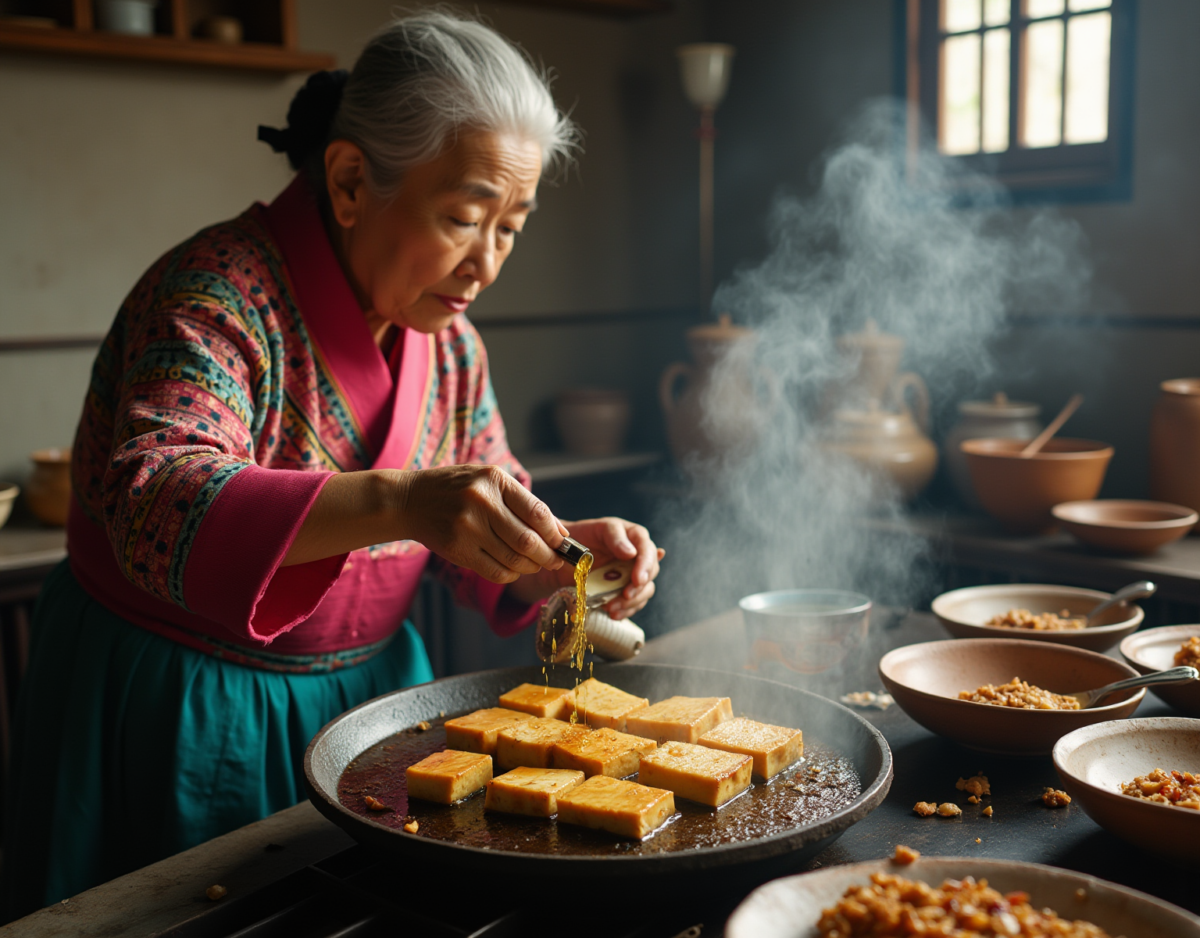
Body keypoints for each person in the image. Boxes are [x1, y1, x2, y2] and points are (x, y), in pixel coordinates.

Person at [0, 11, 662, 919]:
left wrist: (561, 558)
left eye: (512, 226)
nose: (489, 262)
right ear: (351, 180)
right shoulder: (216, 295)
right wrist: (403, 501)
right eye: (465, 217)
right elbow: (156, 495)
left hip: (373, 707)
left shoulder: (452, 348)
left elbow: (480, 509)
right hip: (184, 705)